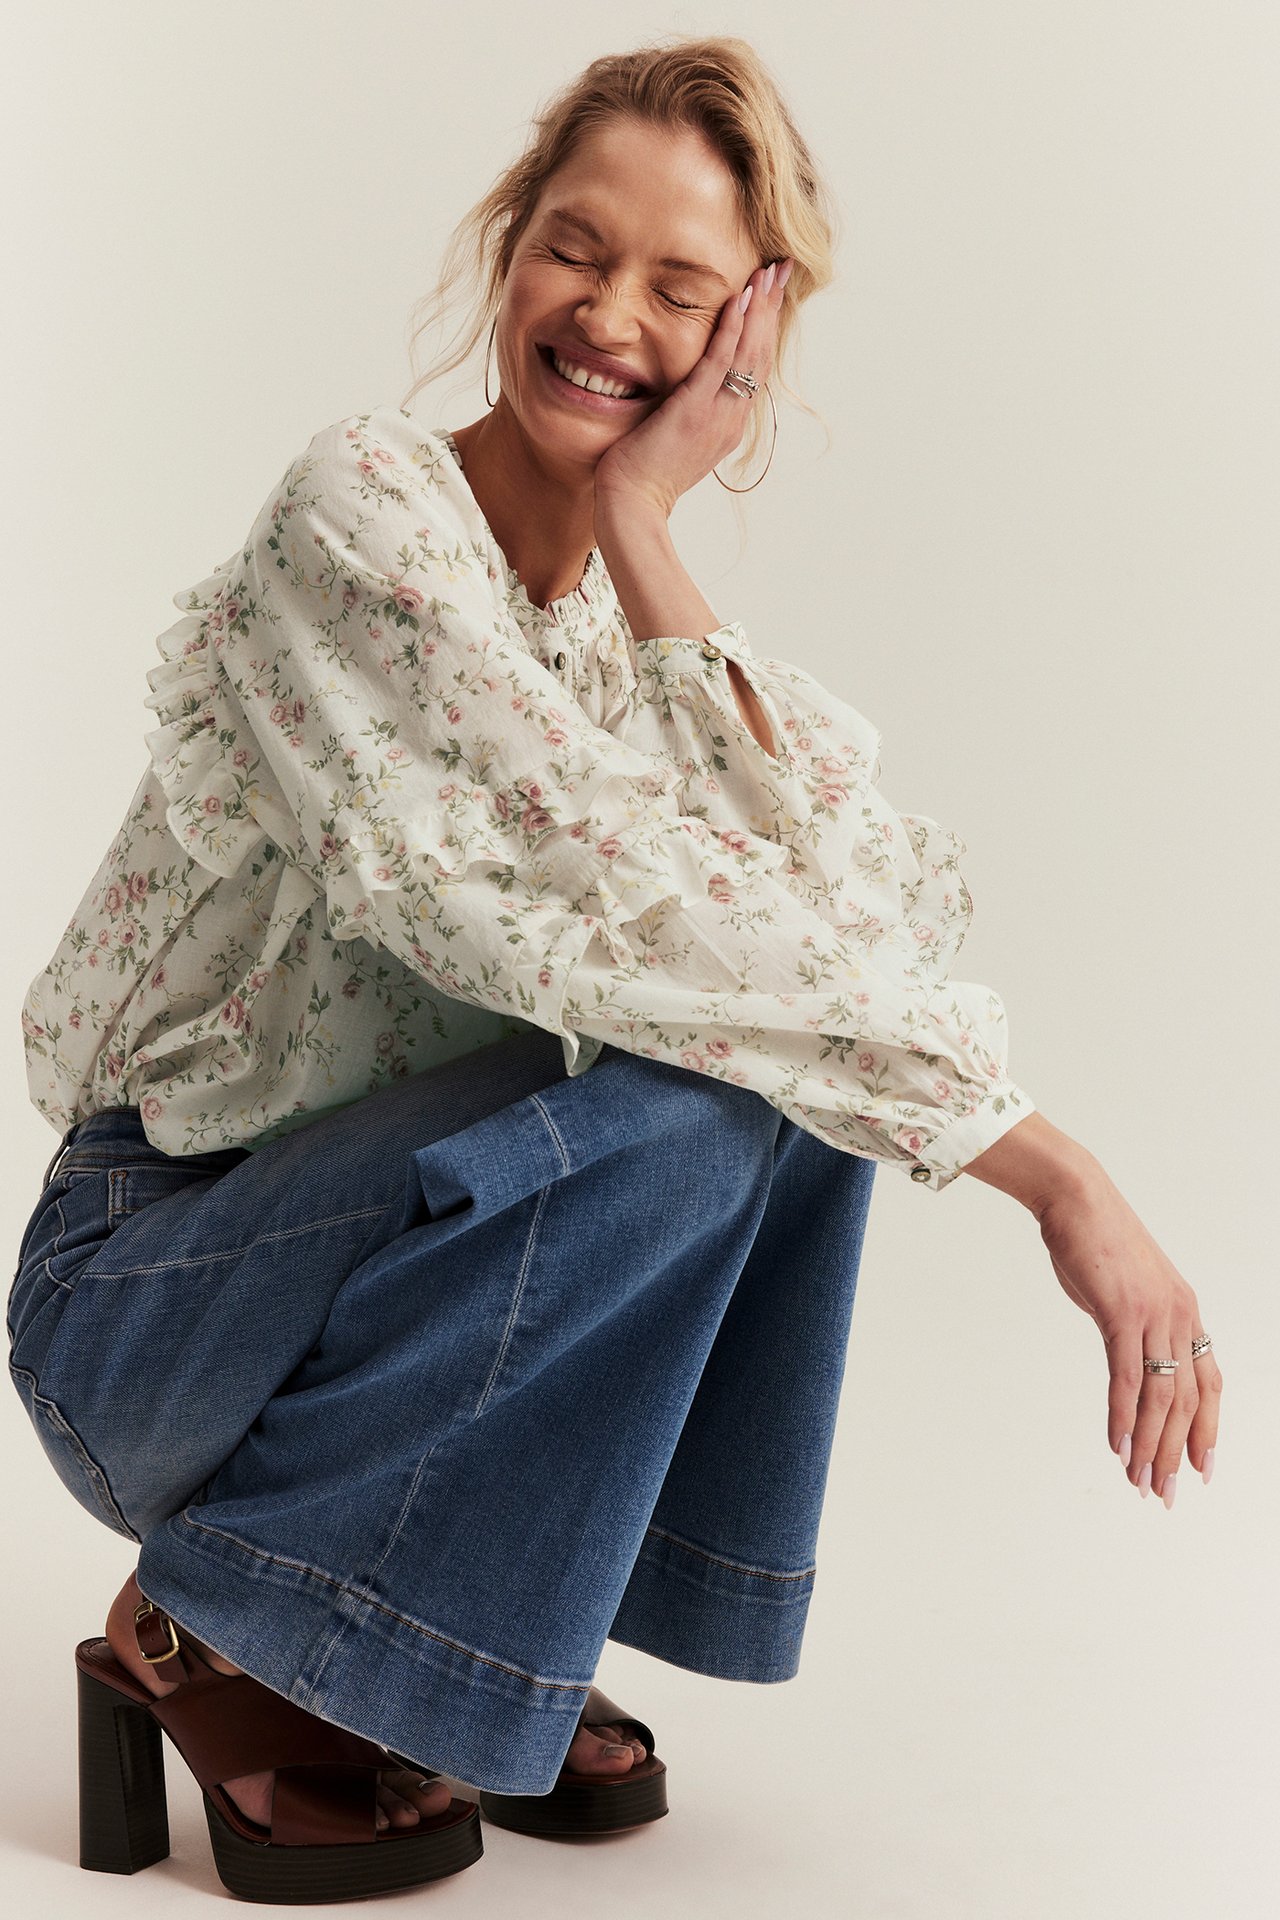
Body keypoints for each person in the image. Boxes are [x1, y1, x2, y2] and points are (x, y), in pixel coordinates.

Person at [10, 33, 1221, 1906]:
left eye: (676, 286)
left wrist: (650, 532)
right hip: (150, 1290)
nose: (606, 315)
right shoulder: (367, 518)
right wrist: (1052, 1169)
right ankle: (227, 1626)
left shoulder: (628, 639)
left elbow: (859, 920)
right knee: (738, 1083)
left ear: (748, 333)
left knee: (801, 1076)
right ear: (509, 248)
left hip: (334, 1266)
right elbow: (606, 899)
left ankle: (471, 1611)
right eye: (575, 249)